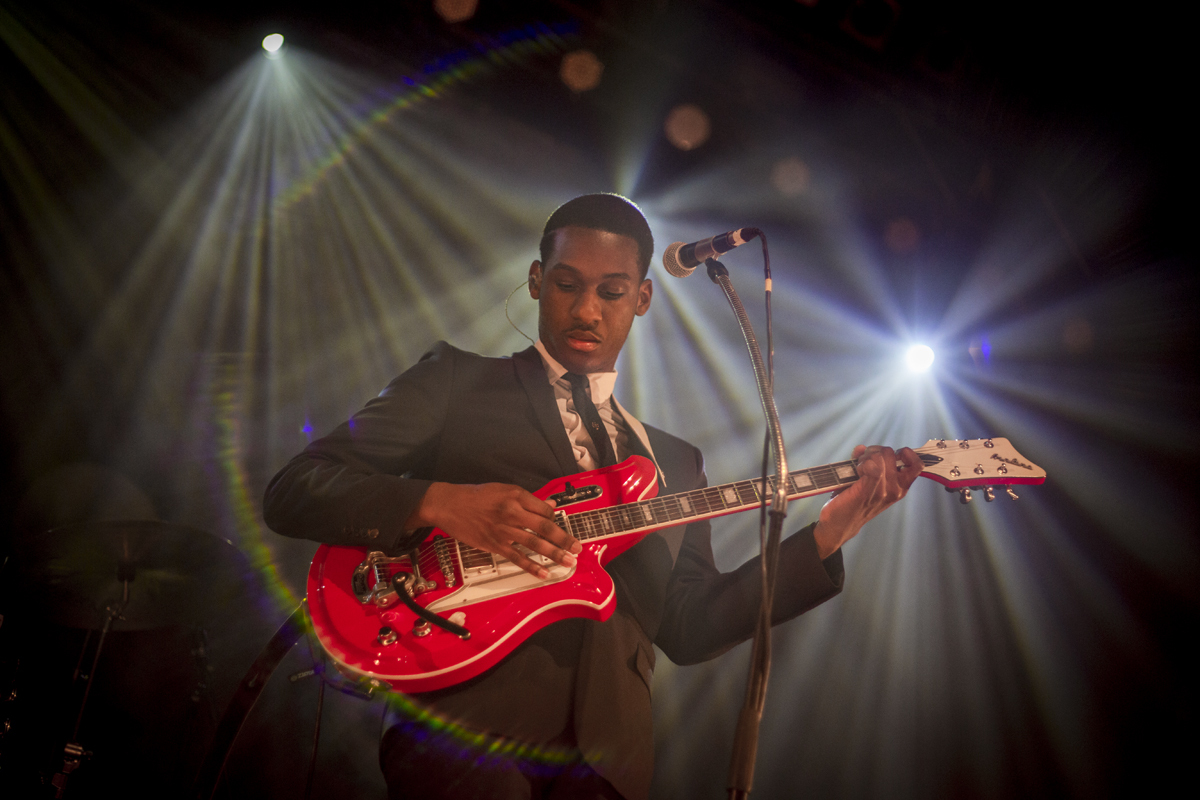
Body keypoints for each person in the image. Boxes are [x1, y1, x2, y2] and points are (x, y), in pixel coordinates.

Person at [263, 194, 922, 800]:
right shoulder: (458, 382)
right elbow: (296, 488)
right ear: (534, 281)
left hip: (609, 766)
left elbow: (688, 627)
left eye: (610, 292)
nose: (585, 311)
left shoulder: (675, 463)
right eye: (566, 285)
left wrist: (830, 533)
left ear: (642, 299)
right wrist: (438, 501)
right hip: (464, 733)